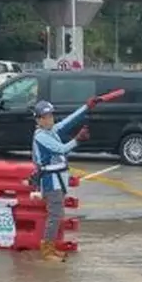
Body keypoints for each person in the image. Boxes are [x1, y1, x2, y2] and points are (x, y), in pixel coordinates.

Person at [30, 98, 93, 261]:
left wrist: (86, 106)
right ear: (39, 120)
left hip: (58, 180)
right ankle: (47, 250)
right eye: (46, 116)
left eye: (51, 115)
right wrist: (77, 140)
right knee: (55, 216)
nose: (50, 119)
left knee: (57, 215)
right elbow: (60, 150)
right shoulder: (41, 136)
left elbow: (69, 121)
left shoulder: (51, 130)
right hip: (50, 181)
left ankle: (51, 247)